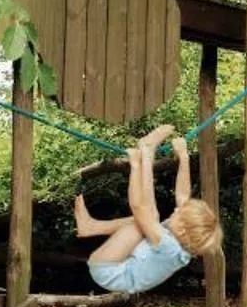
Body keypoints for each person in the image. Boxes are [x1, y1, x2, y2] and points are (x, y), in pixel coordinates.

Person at [73, 124, 223, 296]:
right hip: (118, 263)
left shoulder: (169, 248)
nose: (175, 211)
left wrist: (137, 166)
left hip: (109, 270)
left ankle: (147, 151)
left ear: (182, 229)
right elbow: (183, 197)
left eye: (178, 214)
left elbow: (139, 206)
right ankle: (91, 227)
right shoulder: (181, 242)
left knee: (148, 217)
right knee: (150, 218)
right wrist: (184, 157)